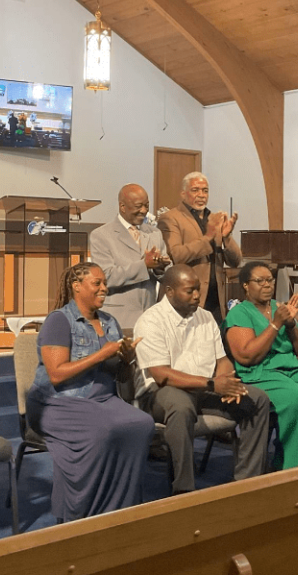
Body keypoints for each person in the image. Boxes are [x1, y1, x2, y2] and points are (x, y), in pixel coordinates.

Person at [26, 262, 155, 521]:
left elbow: (123, 382)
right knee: (103, 430)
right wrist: (100, 355)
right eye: (97, 283)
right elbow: (56, 374)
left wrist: (127, 359)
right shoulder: (59, 320)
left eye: (104, 283)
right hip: (57, 403)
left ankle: (121, 508)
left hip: (103, 400)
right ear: (76, 286)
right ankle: (83, 512)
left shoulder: (110, 322)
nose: (104, 288)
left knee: (143, 423)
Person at [134, 265, 269, 494]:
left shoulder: (205, 317)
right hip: (162, 392)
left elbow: (222, 359)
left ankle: (247, 482)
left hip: (205, 388)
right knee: (181, 406)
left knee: (257, 399)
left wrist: (227, 382)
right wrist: (213, 384)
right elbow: (161, 374)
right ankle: (184, 490)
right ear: (169, 291)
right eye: (190, 291)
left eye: (198, 289)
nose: (197, 295)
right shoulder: (150, 321)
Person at [223, 262, 298, 469]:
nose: (267, 285)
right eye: (259, 281)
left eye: (269, 280)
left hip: (292, 370)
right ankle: (291, 466)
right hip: (259, 373)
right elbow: (246, 356)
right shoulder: (239, 313)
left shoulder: (279, 308)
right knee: (295, 398)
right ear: (245, 285)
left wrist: (290, 325)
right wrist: (275, 324)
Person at [158, 172, 241, 320]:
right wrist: (208, 237)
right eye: (195, 190)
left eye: (205, 190)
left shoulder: (213, 218)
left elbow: (235, 261)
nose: (201, 195)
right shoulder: (171, 218)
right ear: (183, 194)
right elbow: (176, 256)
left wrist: (226, 237)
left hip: (215, 301)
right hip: (186, 300)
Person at [89, 184, 170, 330]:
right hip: (117, 320)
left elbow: (167, 275)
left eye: (147, 205)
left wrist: (160, 268)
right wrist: (144, 266)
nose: (144, 211)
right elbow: (106, 277)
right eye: (138, 206)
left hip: (150, 320)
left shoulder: (155, 234)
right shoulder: (101, 236)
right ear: (122, 206)